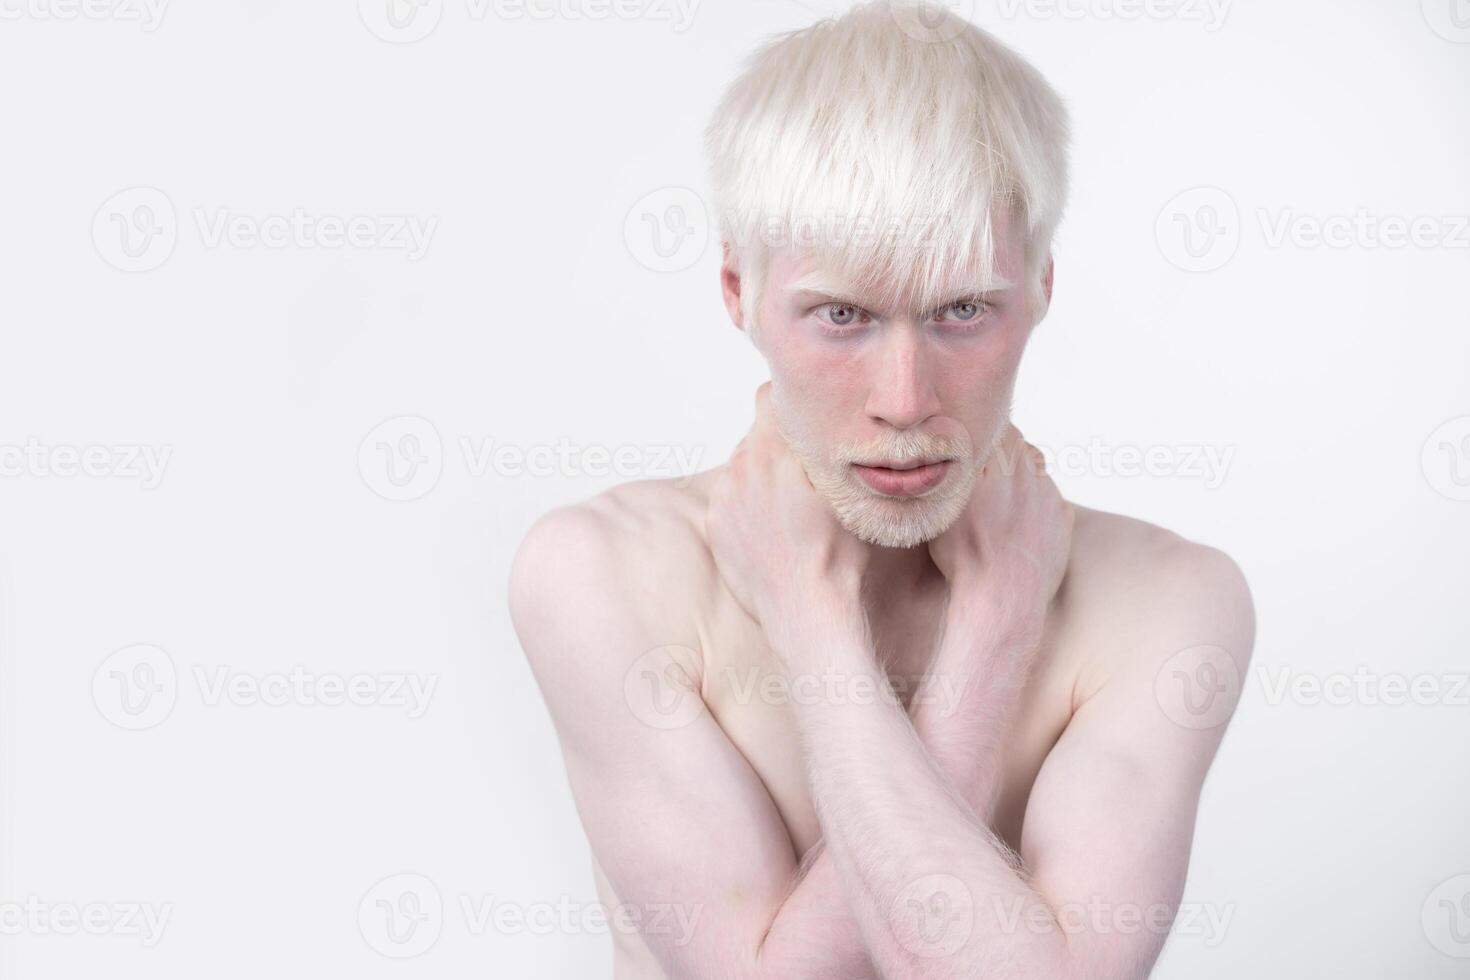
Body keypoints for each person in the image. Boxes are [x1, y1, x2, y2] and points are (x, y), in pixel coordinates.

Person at [509, 3, 1255, 976]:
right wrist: (818, 613)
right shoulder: (598, 573)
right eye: (842, 314)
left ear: (1040, 289)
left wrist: (984, 627)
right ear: (737, 291)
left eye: (962, 309)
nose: (905, 402)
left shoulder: (1172, 599)